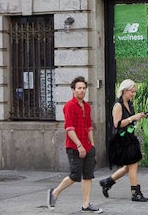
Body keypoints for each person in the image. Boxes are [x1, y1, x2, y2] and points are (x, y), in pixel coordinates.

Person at [47, 76, 103, 213]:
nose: (82, 90)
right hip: (74, 147)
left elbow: (89, 127)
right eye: (79, 88)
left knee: (88, 175)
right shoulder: (69, 106)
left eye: (84, 88)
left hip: (88, 146)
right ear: (73, 90)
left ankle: (86, 204)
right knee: (75, 175)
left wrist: (92, 146)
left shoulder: (87, 106)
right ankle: (54, 193)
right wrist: (79, 145)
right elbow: (69, 128)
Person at [99, 79, 148, 202]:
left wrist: (138, 117)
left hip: (130, 137)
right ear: (124, 91)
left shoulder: (129, 104)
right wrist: (133, 118)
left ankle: (108, 182)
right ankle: (135, 193)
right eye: (132, 92)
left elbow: (129, 120)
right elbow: (117, 124)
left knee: (129, 166)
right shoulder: (118, 105)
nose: (133, 94)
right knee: (133, 165)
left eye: (134, 92)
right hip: (122, 140)